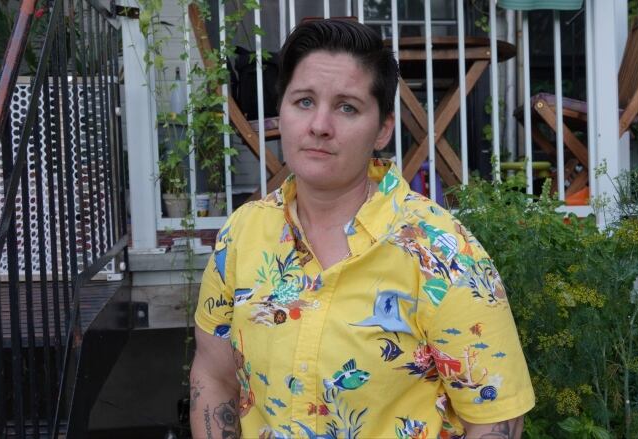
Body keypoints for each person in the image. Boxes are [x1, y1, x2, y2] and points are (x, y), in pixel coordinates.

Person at [190, 18, 534, 439]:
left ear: (383, 129)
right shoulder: (242, 235)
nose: (319, 125)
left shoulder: (442, 252)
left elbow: (495, 420)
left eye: (346, 107)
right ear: (281, 109)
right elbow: (214, 375)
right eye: (303, 101)